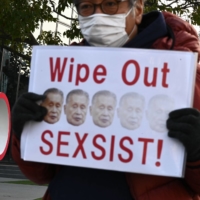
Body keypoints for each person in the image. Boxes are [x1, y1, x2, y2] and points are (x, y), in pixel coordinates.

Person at [11, 0, 200, 199]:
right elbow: (40, 175)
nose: (97, 15)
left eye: (110, 4)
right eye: (86, 7)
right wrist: (24, 134)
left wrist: (197, 152)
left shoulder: (181, 71)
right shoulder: (64, 72)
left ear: (137, 10)